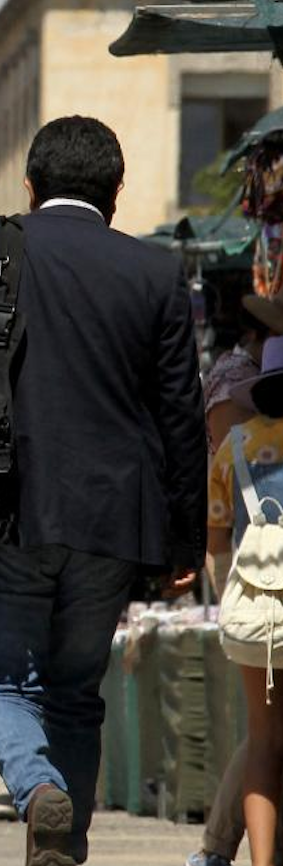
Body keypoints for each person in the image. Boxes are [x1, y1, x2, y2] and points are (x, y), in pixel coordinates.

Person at [0, 116, 205, 866]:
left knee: (4, 684)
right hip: (114, 521)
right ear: (115, 193)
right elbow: (179, 414)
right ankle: (62, 851)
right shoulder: (155, 272)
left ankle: (39, 792)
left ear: (30, 187)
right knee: (77, 693)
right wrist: (185, 537)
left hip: (5, 514)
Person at [192, 297, 283, 866]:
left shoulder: (236, 446)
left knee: (265, 739)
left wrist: (234, 592)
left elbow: (216, 539)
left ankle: (260, 860)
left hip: (258, 614)